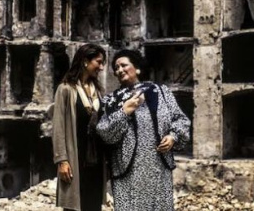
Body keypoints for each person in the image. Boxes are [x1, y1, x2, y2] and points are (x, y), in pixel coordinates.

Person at [96, 49, 190, 211]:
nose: (119, 70)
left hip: (158, 167)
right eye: (116, 68)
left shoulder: (161, 92)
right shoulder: (112, 100)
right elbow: (104, 132)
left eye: (123, 65)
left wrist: (173, 136)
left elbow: (181, 120)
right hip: (128, 170)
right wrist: (125, 111)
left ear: (137, 68)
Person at [52, 43, 107, 211]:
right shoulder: (66, 89)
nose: (102, 67)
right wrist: (62, 160)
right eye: (98, 62)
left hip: (96, 160)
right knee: (74, 206)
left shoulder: (98, 91)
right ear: (85, 61)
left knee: (93, 204)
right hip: (76, 159)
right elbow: (58, 127)